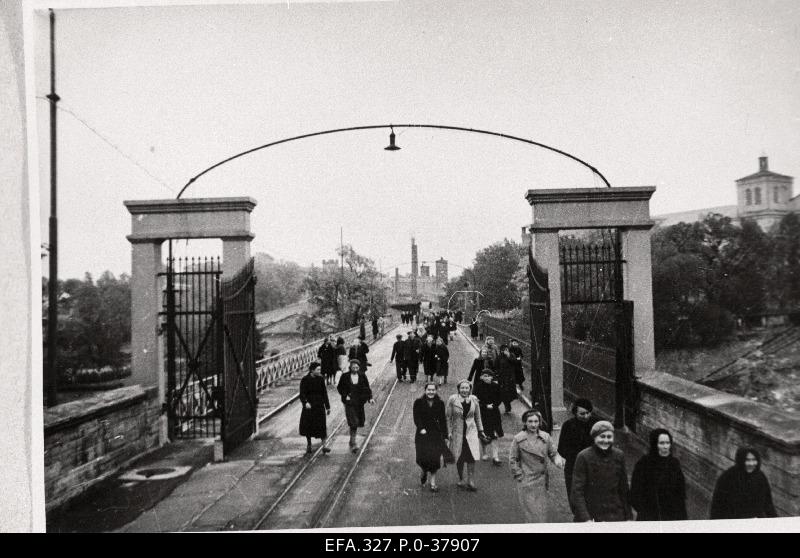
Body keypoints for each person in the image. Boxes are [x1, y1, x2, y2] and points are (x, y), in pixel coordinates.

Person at [509, 410, 565, 522]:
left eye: (536, 421)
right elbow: (513, 459)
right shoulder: (518, 439)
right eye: (530, 421)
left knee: (541, 514)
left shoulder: (546, 437)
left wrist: (558, 461)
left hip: (542, 481)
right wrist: (520, 476)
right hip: (526, 481)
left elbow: (553, 453)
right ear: (525, 422)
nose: (533, 424)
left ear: (539, 422)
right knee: (531, 514)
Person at [570, 420, 632, 522]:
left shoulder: (619, 455)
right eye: (602, 437)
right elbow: (577, 491)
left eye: (609, 437)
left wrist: (628, 516)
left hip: (615, 514)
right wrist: (586, 519)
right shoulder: (584, 456)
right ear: (594, 438)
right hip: (592, 514)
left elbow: (624, 488)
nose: (606, 440)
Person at [630, 428, 688, 521]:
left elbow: (681, 496)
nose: (665, 447)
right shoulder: (644, 463)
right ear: (654, 445)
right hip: (650, 518)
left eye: (667, 443)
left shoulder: (674, 463)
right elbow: (634, 493)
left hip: (671, 518)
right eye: (661, 443)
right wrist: (646, 512)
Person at [709, 447, 777, 519]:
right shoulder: (727, 478)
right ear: (741, 461)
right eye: (747, 460)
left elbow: (768, 505)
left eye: (754, 460)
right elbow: (717, 508)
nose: (751, 464)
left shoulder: (760, 477)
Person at [446, 380, 486, 491]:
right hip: (458, 432)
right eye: (462, 388)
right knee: (459, 457)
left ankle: (471, 480)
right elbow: (448, 417)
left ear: (470, 389)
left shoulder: (474, 400)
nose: (464, 390)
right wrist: (449, 432)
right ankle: (461, 478)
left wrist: (481, 430)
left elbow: (478, 417)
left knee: (471, 456)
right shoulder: (453, 399)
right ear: (458, 389)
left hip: (471, 432)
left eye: (466, 388)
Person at [557, 398, 599, 499]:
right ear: (575, 413)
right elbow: (562, 449)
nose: (586, 416)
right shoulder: (568, 425)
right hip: (573, 467)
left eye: (588, 413)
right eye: (582, 414)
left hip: (593, 468)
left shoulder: (597, 424)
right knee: (575, 499)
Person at [413, 382, 449, 493]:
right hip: (422, 435)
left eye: (433, 390)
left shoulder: (440, 403)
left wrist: (445, 435)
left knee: (434, 459)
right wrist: (421, 428)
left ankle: (433, 483)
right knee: (423, 458)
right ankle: (423, 472)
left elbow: (443, 420)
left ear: (436, 391)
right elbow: (416, 417)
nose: (431, 392)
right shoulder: (418, 402)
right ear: (425, 390)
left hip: (435, 435)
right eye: (429, 390)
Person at [336, 359, 375, 453]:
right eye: (353, 367)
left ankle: (351, 440)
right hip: (349, 403)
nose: (355, 369)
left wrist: (370, 398)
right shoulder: (345, 376)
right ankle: (353, 443)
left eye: (357, 367)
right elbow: (339, 387)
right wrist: (345, 396)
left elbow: (367, 387)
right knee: (353, 422)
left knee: (358, 422)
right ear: (350, 367)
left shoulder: (362, 375)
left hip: (359, 402)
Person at [299, 362, 331, 454]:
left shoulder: (321, 379)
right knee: (309, 426)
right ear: (312, 370)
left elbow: (324, 393)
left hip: (319, 406)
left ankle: (324, 445)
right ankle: (309, 444)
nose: (320, 371)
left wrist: (328, 407)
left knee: (322, 426)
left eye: (320, 369)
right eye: (318, 369)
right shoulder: (305, 380)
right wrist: (305, 403)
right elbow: (302, 394)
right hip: (309, 406)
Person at [472, 369, 503, 464]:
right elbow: (475, 400)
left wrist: (494, 405)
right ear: (481, 377)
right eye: (485, 376)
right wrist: (485, 406)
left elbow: (500, 398)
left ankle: (495, 456)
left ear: (492, 377)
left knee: (495, 434)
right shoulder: (477, 386)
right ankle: (485, 452)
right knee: (484, 434)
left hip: (494, 413)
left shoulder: (496, 386)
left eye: (489, 376)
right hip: (482, 413)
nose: (487, 378)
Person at [495, 345, 520, 414]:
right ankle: (504, 406)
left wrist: (508, 356)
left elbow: (515, 362)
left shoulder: (511, 355)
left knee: (509, 394)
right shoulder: (499, 357)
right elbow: (496, 366)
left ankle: (507, 405)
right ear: (501, 350)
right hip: (502, 378)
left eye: (506, 349)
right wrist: (497, 374)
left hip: (510, 378)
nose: (505, 351)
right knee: (502, 393)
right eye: (503, 350)